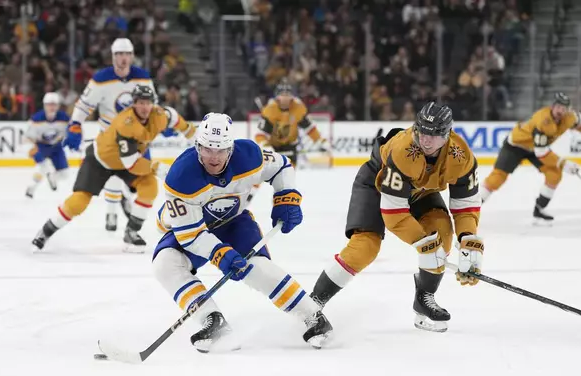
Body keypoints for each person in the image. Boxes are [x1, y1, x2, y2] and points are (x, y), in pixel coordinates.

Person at [152, 113, 333, 352]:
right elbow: (191, 236)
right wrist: (220, 255)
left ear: (231, 149)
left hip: (235, 223)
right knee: (165, 263)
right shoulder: (180, 178)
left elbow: (282, 166)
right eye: (207, 149)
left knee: (255, 267)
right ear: (197, 147)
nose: (213, 157)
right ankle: (212, 321)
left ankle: (314, 317)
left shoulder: (249, 156)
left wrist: (286, 198)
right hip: (196, 229)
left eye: (220, 150)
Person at [309, 102, 483, 333]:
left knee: (442, 235)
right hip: (376, 186)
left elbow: (465, 205)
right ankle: (311, 305)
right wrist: (422, 242)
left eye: (433, 134)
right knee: (365, 247)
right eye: (422, 131)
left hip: (421, 191)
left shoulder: (461, 156)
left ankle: (424, 298)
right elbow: (394, 212)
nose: (425, 140)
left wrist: (469, 239)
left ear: (447, 135)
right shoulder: (403, 150)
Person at [32, 85, 167, 253]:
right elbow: (131, 159)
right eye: (140, 102)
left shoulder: (158, 115)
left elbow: (176, 120)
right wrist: (155, 167)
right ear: (133, 104)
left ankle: (131, 232)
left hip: (127, 160)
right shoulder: (125, 122)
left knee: (150, 186)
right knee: (78, 202)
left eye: (148, 103)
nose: (145, 107)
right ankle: (46, 231)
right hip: (101, 159)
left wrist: (190, 131)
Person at [64, 38, 158, 232]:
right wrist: (75, 125)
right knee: (114, 174)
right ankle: (112, 211)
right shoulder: (101, 78)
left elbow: (152, 105)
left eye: (126, 54)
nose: (123, 59)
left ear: (132, 56)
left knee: (143, 180)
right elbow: (84, 105)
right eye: (119, 54)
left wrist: (159, 123)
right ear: (113, 56)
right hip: (111, 139)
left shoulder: (143, 77)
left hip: (138, 139)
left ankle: (123, 200)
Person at [481, 93, 581, 223]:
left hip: (536, 147)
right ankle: (469, 208)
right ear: (553, 106)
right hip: (516, 145)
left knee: (554, 174)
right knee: (497, 178)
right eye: (558, 107)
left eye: (563, 108)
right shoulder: (542, 120)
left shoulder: (570, 118)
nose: (560, 111)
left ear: (568, 110)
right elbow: (541, 153)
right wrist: (564, 164)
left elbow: (578, 124)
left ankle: (539, 209)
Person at [247, 80, 330, 202]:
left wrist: (320, 141)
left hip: (290, 147)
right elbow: (260, 135)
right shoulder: (270, 110)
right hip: (272, 147)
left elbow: (309, 128)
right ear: (277, 97)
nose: (285, 98)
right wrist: (266, 147)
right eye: (282, 94)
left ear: (292, 96)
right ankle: (244, 201)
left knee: (285, 181)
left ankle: (281, 208)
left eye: (288, 94)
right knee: (258, 175)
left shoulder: (298, 108)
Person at [25, 93, 69, 198]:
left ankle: (52, 177)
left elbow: (72, 131)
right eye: (49, 104)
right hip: (40, 146)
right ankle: (31, 189)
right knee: (43, 168)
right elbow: (27, 137)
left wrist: (73, 138)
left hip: (56, 147)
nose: (51, 107)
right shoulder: (36, 119)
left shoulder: (65, 118)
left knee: (65, 174)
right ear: (44, 105)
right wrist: (32, 148)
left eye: (54, 104)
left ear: (58, 105)